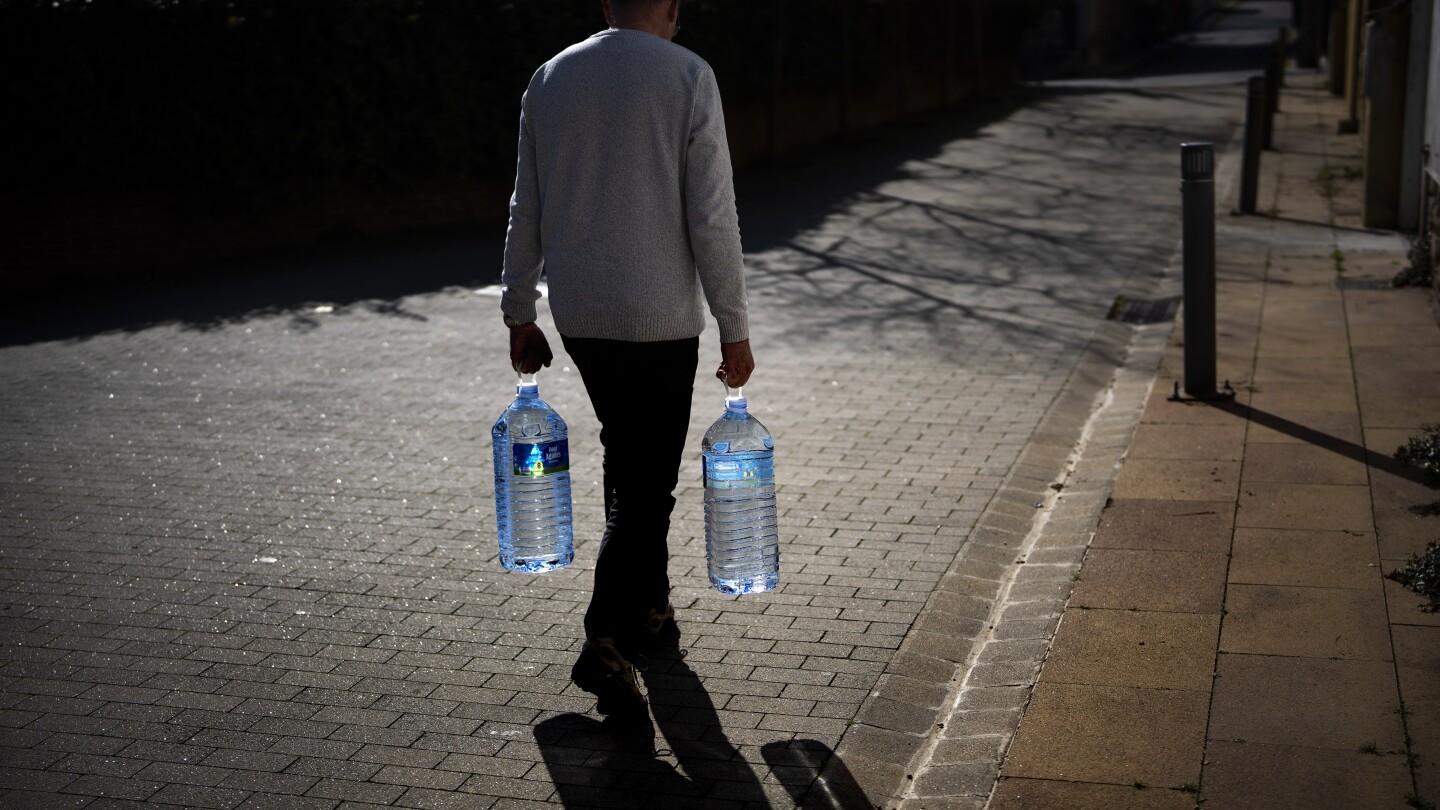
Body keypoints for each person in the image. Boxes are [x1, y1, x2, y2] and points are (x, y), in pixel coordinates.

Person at [499, 0, 754, 721]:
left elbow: (528, 203)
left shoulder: (551, 76)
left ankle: (652, 613)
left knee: (630, 459)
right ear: (671, 9)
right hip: (661, 318)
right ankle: (603, 636)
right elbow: (712, 213)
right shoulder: (688, 74)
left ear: (607, 5)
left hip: (581, 315)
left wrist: (520, 311)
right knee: (648, 488)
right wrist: (734, 326)